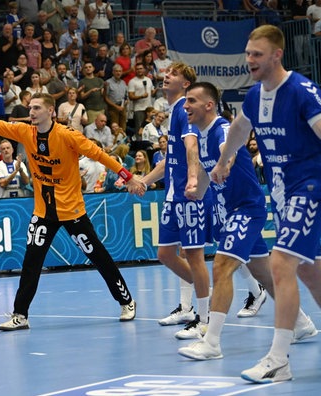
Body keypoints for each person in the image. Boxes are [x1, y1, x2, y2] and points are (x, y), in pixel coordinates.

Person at [210, 24, 321, 383]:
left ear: (276, 55)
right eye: (248, 53)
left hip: (310, 186)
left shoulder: (302, 91)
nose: (250, 60)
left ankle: (278, 358)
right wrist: (223, 162)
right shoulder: (254, 96)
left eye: (257, 54)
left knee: (280, 263)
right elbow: (239, 130)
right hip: (282, 193)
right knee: (311, 272)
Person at [0, 92, 145, 330]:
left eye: (37, 108)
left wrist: (129, 177)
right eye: (30, 107)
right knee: (31, 262)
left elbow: (101, 155)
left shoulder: (68, 136)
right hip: (43, 212)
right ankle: (20, 315)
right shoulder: (24, 132)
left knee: (98, 256)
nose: (31, 112)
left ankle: (126, 300)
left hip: (71, 211)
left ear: (51, 111)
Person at [176, 81, 316, 361]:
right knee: (264, 273)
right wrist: (197, 191)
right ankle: (302, 324)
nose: (185, 106)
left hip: (246, 209)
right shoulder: (201, 135)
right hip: (228, 211)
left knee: (222, 266)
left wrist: (224, 165)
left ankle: (212, 341)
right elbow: (207, 169)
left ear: (209, 105)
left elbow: (232, 148)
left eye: (191, 100)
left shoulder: (221, 129)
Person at [137, 62, 213, 336]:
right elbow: (171, 159)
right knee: (166, 254)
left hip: (187, 194)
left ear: (185, 84)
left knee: (194, 255)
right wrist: (144, 181)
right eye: (166, 72)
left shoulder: (183, 109)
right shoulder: (173, 112)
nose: (166, 75)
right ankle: (207, 297)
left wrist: (193, 179)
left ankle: (204, 319)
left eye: (174, 74)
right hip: (172, 194)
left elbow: (192, 147)